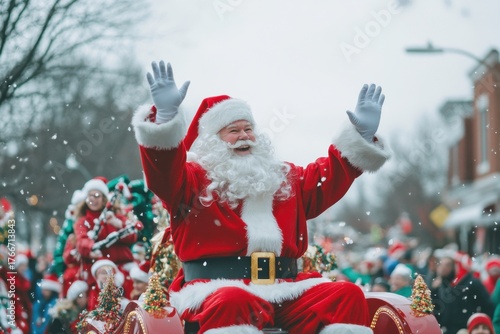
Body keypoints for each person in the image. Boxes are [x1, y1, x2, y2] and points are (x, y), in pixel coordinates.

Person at [131, 60, 390, 334]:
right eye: (233, 131)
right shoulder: (192, 180)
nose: (245, 136)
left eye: (248, 128)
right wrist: (165, 120)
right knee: (235, 301)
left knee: (345, 295)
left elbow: (328, 177)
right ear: (212, 141)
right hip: (216, 288)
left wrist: (360, 136)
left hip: (287, 287)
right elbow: (163, 171)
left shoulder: (283, 178)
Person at [73, 177, 137, 284]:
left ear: (104, 199)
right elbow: (81, 240)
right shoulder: (82, 222)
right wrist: (91, 248)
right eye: (90, 196)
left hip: (121, 269)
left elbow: (133, 236)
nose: (93, 199)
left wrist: (117, 224)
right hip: (97, 272)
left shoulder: (116, 215)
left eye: (97, 195)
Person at [431, 252, 494, 334]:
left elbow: (487, 306)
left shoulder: (473, 283)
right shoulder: (440, 285)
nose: (444, 268)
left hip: (466, 329)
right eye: (441, 265)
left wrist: (479, 326)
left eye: (448, 265)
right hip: (446, 329)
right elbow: (436, 308)